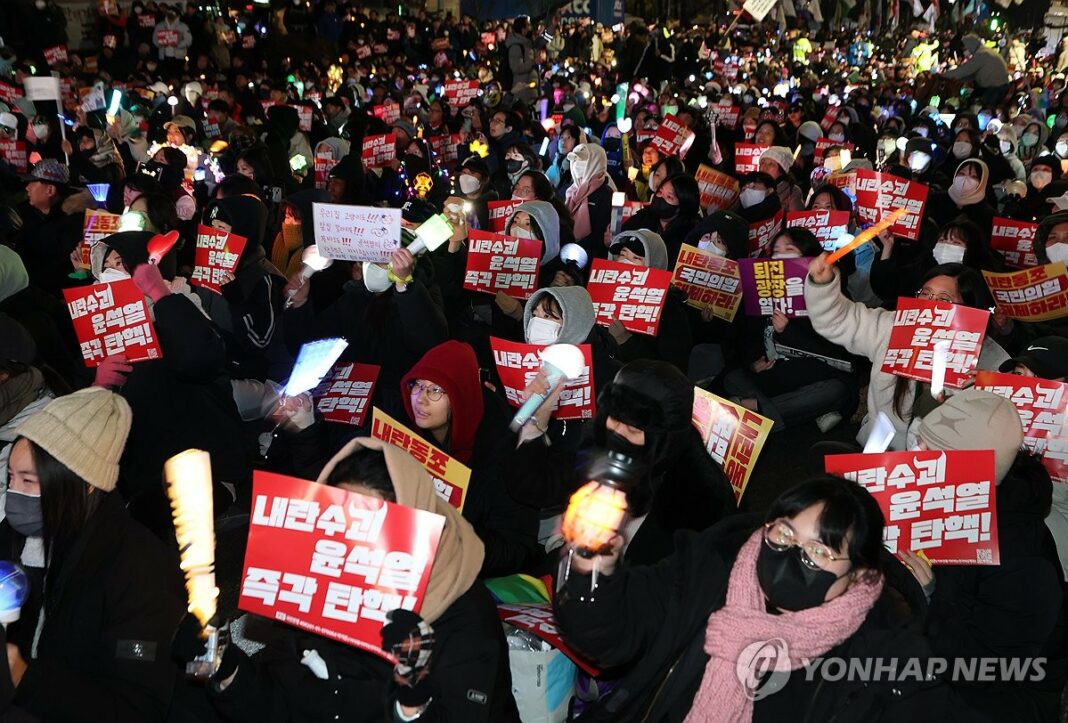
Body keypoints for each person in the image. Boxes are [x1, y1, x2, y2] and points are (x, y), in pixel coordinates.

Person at [554, 476, 956, 720]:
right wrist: (593, 567)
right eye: (785, 534)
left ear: (859, 576)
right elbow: (607, 634)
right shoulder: (710, 568)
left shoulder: (884, 650)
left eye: (820, 552)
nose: (794, 556)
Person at [198, 437, 520, 722]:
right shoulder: (319, 579)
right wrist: (227, 669)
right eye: (340, 522)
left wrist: (411, 699)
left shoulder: (462, 611)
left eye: (371, 526)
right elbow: (282, 701)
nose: (351, 542)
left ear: (411, 521)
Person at [3, 387, 185, 720]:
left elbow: (137, 708)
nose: (14, 495)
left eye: (29, 481)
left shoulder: (142, 572)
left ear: (85, 483)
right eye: (11, 479)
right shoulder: (20, 534)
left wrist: (25, 678)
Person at [904, 391, 1068, 721]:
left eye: (929, 452)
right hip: (944, 640)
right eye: (918, 444)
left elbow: (981, 668)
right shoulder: (951, 498)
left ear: (973, 473)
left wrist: (931, 593)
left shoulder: (1022, 560)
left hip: (1009, 692)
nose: (912, 459)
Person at [508, 360, 736, 566]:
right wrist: (539, 417)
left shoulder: (702, 494)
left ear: (665, 438)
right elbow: (535, 486)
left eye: (634, 430)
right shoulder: (600, 441)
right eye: (615, 419)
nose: (618, 434)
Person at [805, 254, 1009, 450]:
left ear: (970, 308)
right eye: (925, 293)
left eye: (944, 300)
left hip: (941, 463)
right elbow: (839, 321)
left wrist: (976, 392)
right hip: (881, 447)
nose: (930, 304)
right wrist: (823, 285)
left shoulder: (991, 359)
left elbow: (1001, 424)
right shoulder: (893, 326)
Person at [400, 341, 540, 576]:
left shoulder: (502, 452)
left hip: (474, 574)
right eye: (417, 385)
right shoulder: (403, 431)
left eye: (435, 390)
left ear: (460, 397)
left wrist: (449, 538)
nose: (421, 399)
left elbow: (515, 548)